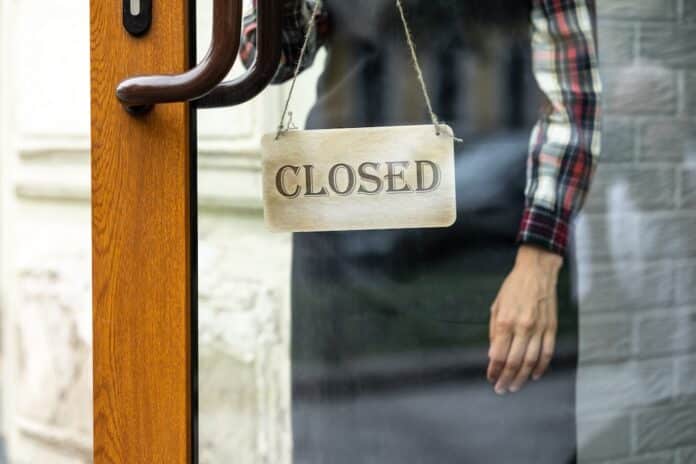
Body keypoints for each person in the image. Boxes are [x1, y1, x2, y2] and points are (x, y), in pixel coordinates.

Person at [241, 1, 601, 462]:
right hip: (345, 234)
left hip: (485, 238)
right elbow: (263, 58)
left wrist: (538, 260)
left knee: (503, 440)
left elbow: (576, 97)